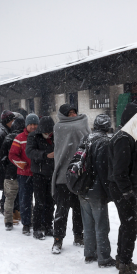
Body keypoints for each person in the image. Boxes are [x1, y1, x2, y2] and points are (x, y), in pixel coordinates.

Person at [108, 103, 137, 274]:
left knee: (126, 225)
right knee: (130, 227)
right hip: (123, 190)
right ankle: (125, 267)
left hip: (125, 188)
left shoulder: (129, 136)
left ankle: (121, 259)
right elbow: (119, 171)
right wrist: (128, 192)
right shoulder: (124, 138)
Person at [74, 114, 116, 267]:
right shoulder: (104, 142)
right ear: (107, 126)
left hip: (82, 186)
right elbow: (103, 169)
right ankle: (104, 258)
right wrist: (109, 191)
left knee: (88, 223)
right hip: (96, 189)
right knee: (101, 224)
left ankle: (89, 253)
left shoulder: (86, 138)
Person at [51, 104, 90, 253]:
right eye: (69, 113)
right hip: (63, 174)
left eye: (74, 112)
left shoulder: (82, 123)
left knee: (79, 209)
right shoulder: (59, 127)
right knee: (61, 210)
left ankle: (78, 236)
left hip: (79, 173)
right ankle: (57, 240)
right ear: (63, 116)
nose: (73, 115)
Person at [26, 115, 56, 240]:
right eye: (45, 132)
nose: (48, 134)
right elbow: (29, 152)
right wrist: (45, 155)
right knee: (39, 202)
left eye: (50, 132)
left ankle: (49, 225)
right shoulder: (33, 136)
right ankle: (37, 228)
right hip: (38, 173)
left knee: (51, 202)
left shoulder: (56, 136)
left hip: (52, 173)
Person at [9, 113, 38, 235]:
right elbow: (12, 155)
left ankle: (38, 222)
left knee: (40, 200)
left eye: (35, 124)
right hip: (24, 174)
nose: (33, 127)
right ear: (26, 125)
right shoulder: (19, 138)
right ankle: (26, 224)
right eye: (30, 124)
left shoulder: (41, 137)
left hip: (38, 174)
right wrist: (20, 163)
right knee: (25, 200)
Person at [1, 116, 25, 230]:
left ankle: (8, 221)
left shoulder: (7, 138)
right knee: (26, 197)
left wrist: (7, 167)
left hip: (10, 173)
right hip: (23, 171)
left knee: (9, 198)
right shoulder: (24, 138)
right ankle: (27, 220)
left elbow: (2, 157)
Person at [0, 110, 16, 215]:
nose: (13, 122)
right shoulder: (0, 133)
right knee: (6, 188)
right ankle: (4, 207)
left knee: (8, 188)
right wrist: (4, 162)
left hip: (6, 163)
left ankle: (6, 207)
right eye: (12, 120)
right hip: (3, 164)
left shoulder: (7, 130)